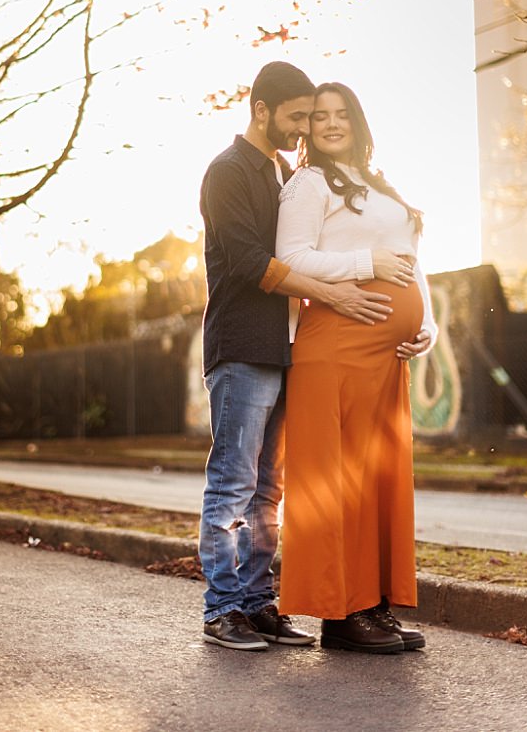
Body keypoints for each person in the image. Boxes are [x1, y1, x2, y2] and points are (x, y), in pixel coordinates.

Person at [199, 62, 400, 652]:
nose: (304, 127)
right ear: (261, 109)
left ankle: (259, 603)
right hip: (241, 348)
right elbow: (247, 262)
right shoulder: (228, 171)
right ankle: (223, 609)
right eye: (296, 116)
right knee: (233, 481)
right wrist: (334, 290)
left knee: (269, 487)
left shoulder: (284, 173)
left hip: (286, 350)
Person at [275, 81, 437, 654]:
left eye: (342, 114)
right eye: (320, 116)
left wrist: (428, 325)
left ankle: (373, 605)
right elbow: (291, 259)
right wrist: (365, 261)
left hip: (385, 356)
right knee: (337, 484)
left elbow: (413, 267)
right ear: (309, 129)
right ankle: (339, 616)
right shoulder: (308, 185)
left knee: (375, 480)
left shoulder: (380, 185)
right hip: (336, 346)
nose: (331, 123)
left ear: (358, 122)